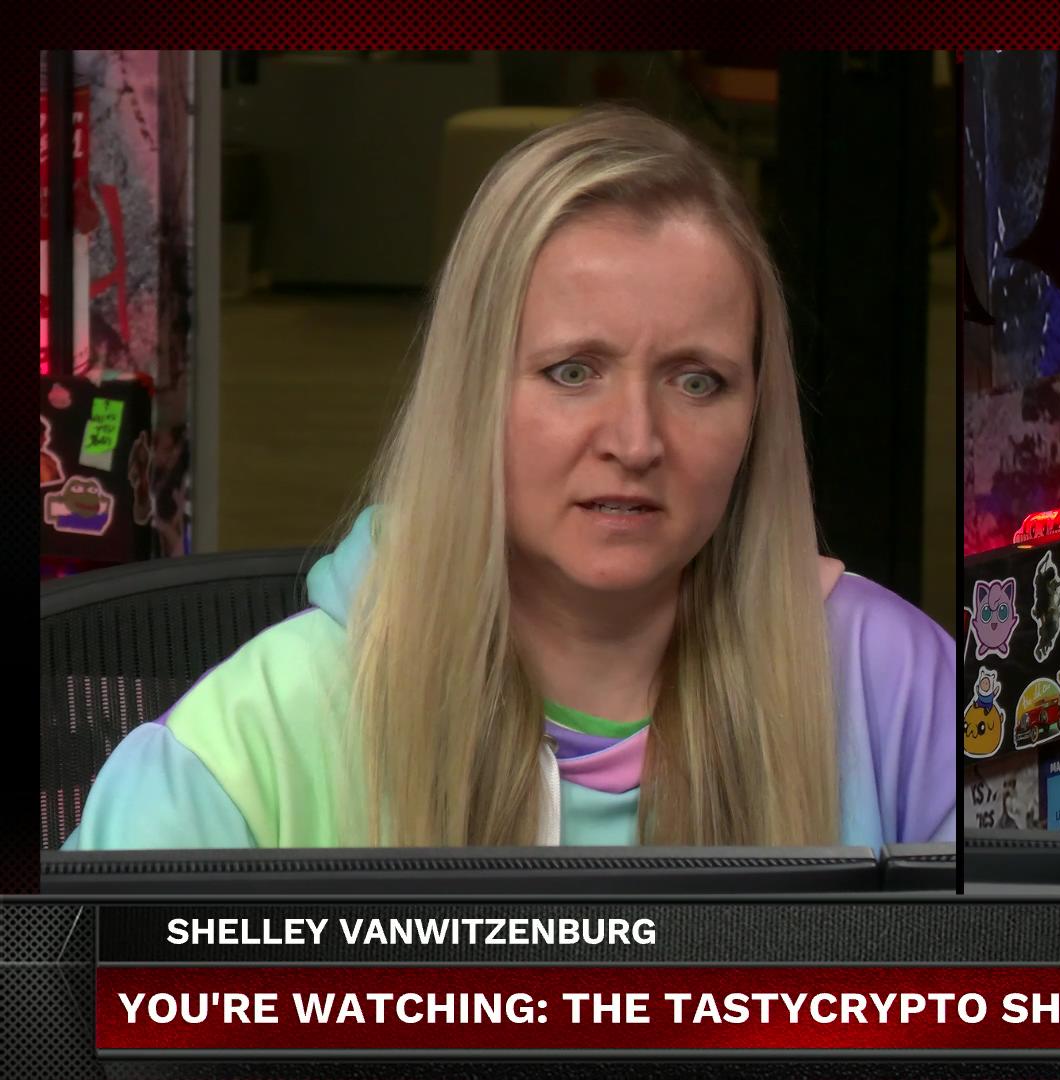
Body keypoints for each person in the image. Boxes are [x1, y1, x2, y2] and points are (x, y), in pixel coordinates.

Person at [67, 106, 956, 850]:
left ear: (756, 414)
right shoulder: (250, 746)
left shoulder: (894, 687)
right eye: (573, 371)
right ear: (471, 394)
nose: (636, 440)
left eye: (697, 381)